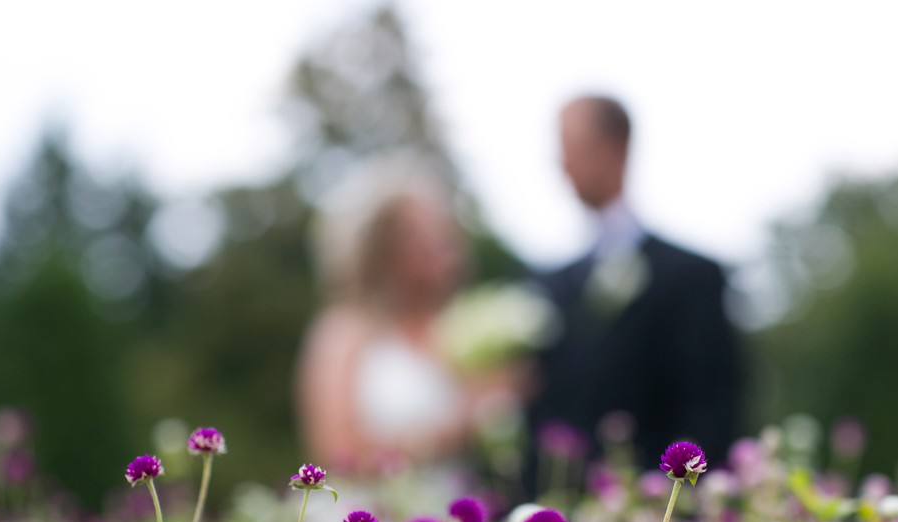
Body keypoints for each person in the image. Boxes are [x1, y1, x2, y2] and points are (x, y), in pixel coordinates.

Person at [525, 95, 741, 495]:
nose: (562, 164)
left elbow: (712, 409)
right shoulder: (546, 285)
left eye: (572, 148)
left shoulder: (692, 277)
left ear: (615, 148)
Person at [297, 153, 476, 480]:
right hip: (371, 521)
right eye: (417, 235)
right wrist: (458, 429)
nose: (436, 245)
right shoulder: (346, 331)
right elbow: (337, 452)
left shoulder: (467, 326)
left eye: (439, 229)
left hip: (461, 518)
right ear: (383, 251)